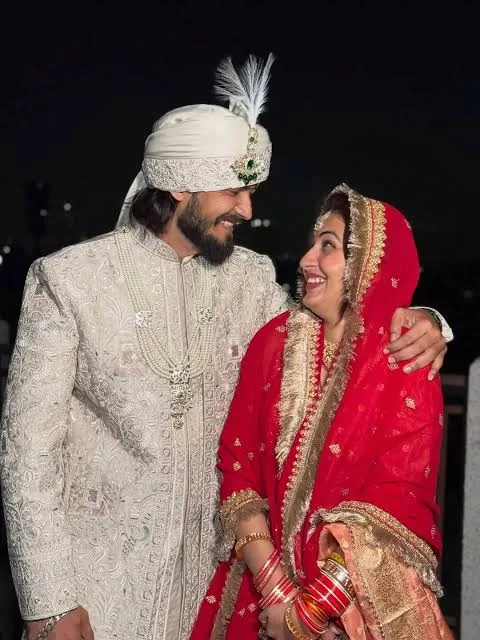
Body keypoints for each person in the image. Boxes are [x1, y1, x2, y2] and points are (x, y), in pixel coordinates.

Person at [0, 54, 449, 640]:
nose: (247, 209)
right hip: (98, 594)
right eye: (235, 191)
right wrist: (49, 601)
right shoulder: (68, 281)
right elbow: (26, 455)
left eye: (251, 192)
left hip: (219, 598)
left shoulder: (253, 279)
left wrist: (428, 321)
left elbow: (332, 335)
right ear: (178, 183)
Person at [191, 184, 452, 640]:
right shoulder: (273, 342)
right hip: (261, 595)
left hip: (355, 610)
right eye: (313, 244)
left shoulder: (405, 361)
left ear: (368, 265)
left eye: (328, 246)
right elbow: (238, 468)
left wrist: (309, 615)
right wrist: (276, 591)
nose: (306, 260)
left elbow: (395, 509)